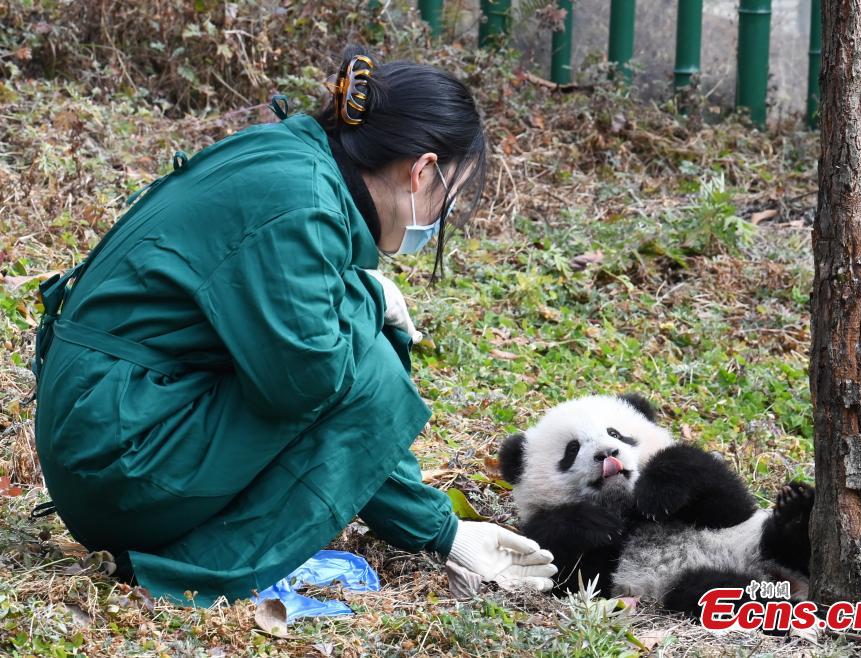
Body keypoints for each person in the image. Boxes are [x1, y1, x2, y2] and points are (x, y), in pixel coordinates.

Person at [31, 45, 556, 605]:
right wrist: (369, 298)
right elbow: (315, 384)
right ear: (422, 171)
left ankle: (183, 536)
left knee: (360, 347)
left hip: (106, 428)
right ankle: (191, 568)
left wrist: (446, 532)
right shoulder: (301, 205)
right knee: (370, 361)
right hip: (118, 459)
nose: (442, 216)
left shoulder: (293, 162)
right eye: (449, 195)